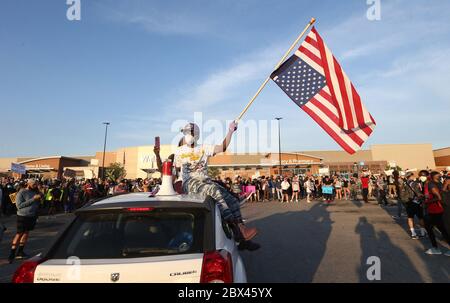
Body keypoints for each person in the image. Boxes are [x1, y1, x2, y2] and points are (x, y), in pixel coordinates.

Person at [174, 122, 259, 251]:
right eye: (186, 133)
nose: (188, 136)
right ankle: (237, 229)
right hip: (190, 183)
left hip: (205, 181)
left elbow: (222, 148)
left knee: (232, 200)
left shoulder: (203, 147)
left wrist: (230, 131)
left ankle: (241, 234)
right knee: (213, 190)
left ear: (196, 134)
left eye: (190, 133)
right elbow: (175, 171)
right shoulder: (179, 151)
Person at [8, 179, 42, 263]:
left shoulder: (35, 192)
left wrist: (40, 198)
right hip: (22, 216)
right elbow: (19, 206)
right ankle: (12, 253)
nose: (35, 186)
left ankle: (20, 251)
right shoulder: (21, 192)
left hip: (32, 216)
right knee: (19, 234)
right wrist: (33, 199)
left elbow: (37, 204)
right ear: (29, 184)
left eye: (36, 185)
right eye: (34, 184)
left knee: (26, 233)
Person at [422, 171, 450, 255]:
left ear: (431, 176)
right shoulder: (440, 183)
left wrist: (426, 202)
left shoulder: (431, 184)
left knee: (431, 228)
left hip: (435, 210)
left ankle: (435, 248)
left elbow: (439, 197)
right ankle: (435, 248)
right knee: (443, 230)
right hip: (440, 210)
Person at [400, 172, 427, 239]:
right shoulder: (416, 183)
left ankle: (413, 233)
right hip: (416, 202)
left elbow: (401, 193)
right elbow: (418, 192)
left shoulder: (404, 184)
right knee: (420, 217)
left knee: (410, 217)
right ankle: (423, 233)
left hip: (408, 202)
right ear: (411, 176)